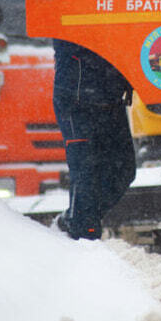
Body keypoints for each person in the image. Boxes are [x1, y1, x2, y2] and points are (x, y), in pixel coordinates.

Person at [51, 39, 136, 240]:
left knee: (124, 170)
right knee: (85, 170)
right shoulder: (70, 22)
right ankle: (84, 234)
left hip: (110, 101)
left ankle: (75, 219)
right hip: (77, 103)